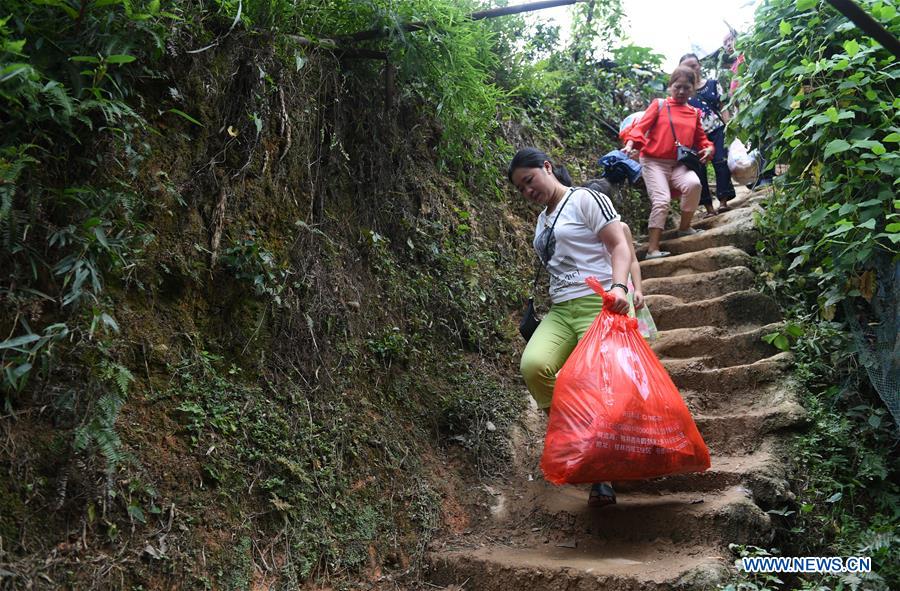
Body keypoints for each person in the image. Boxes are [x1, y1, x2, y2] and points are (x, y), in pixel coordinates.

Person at [509, 148, 631, 508]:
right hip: (561, 309)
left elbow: (619, 244)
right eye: (521, 188)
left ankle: (601, 474)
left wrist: (619, 287)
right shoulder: (542, 220)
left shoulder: (586, 199)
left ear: (547, 167)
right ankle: (576, 438)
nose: (527, 191)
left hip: (598, 301)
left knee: (593, 383)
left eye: (529, 180)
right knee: (534, 366)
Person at [622, 66, 714, 259]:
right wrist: (630, 144)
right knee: (661, 200)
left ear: (693, 89)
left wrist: (708, 148)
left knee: (694, 184)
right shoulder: (660, 105)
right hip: (653, 161)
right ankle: (652, 249)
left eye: (686, 88)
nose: (681, 91)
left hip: (678, 163)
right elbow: (641, 128)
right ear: (670, 86)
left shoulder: (694, 112)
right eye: (677, 86)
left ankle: (684, 228)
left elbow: (701, 139)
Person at [679, 53, 737, 214]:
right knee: (699, 169)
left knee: (721, 162)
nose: (692, 69)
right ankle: (709, 208)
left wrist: (728, 126)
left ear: (699, 65)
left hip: (717, 129)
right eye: (687, 67)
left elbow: (723, 106)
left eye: (694, 65)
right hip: (694, 136)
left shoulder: (713, 84)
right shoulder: (682, 90)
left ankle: (723, 202)